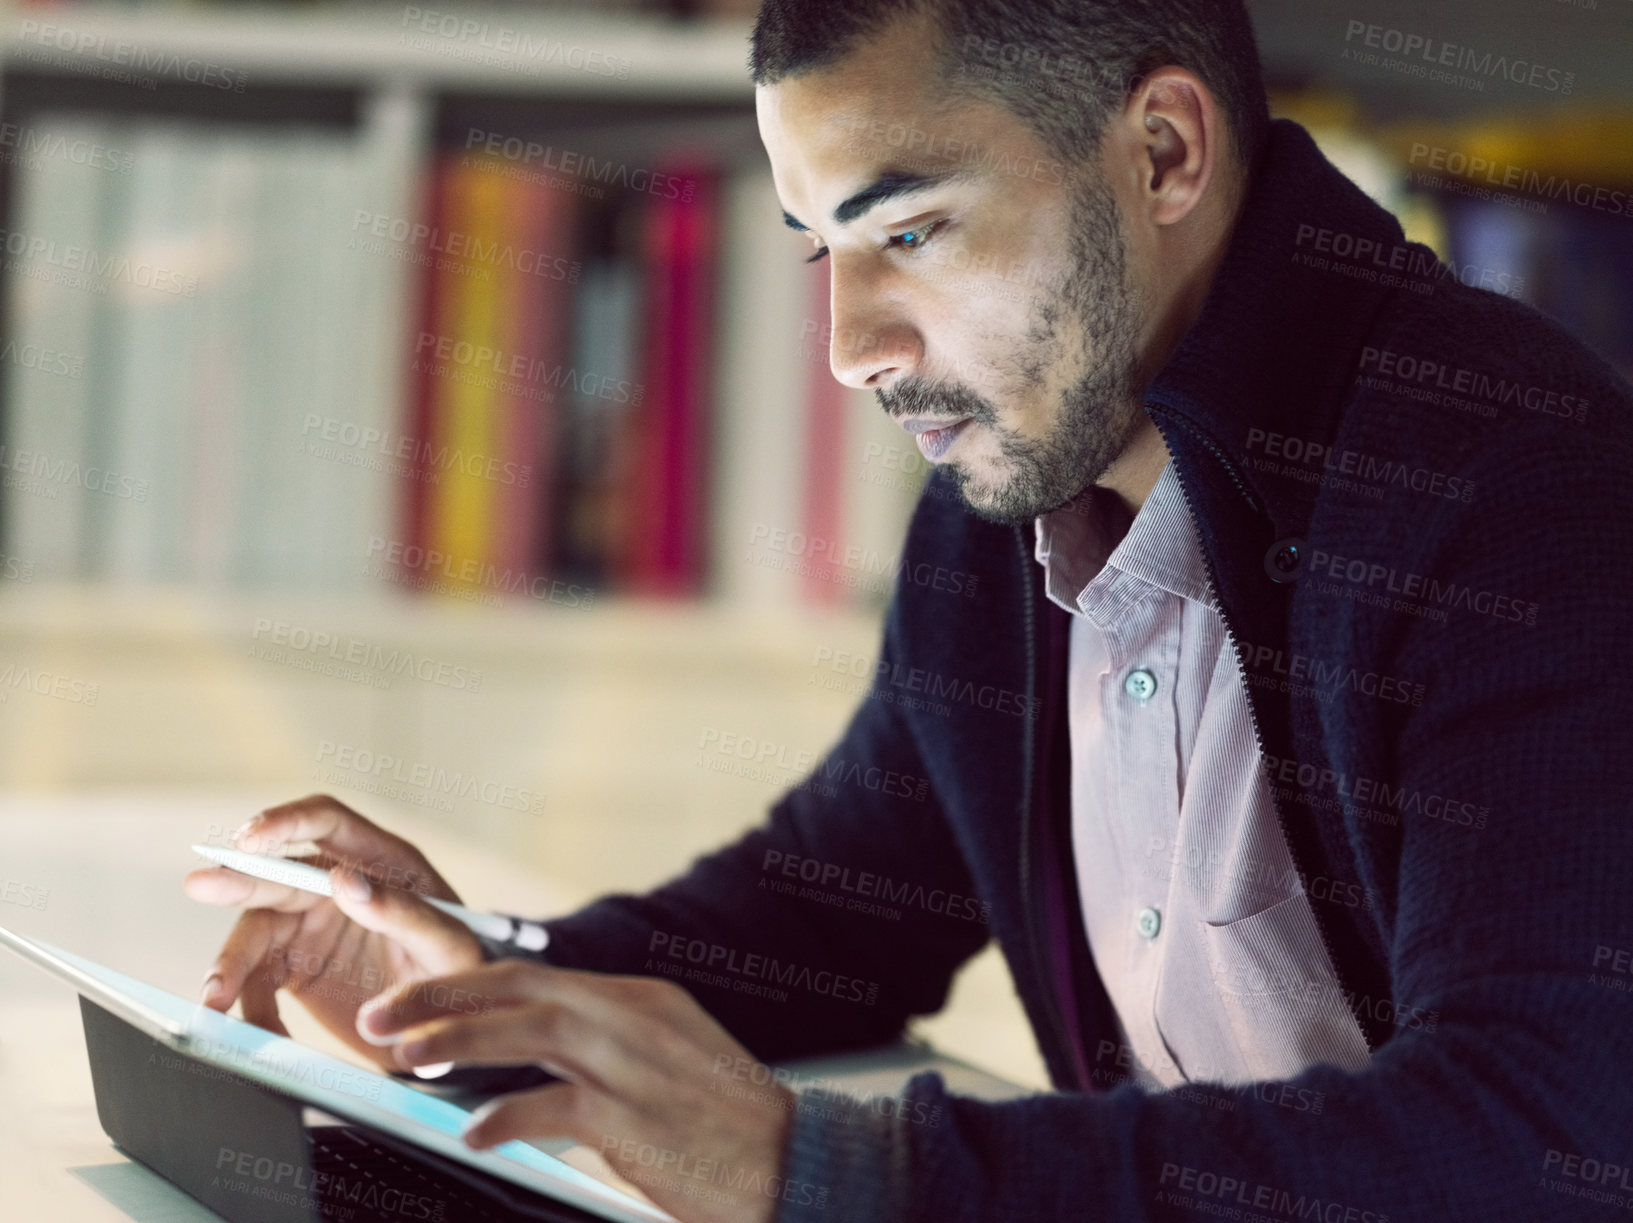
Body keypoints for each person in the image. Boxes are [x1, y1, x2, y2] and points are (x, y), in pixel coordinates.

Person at [187, 2, 1633, 1220]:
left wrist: (841, 1180)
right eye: (825, 248)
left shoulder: (1517, 488)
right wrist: (479, 981)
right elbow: (824, 916)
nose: (849, 350)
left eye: (916, 231)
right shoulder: (998, 512)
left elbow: (1543, 1134)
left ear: (1162, 153)